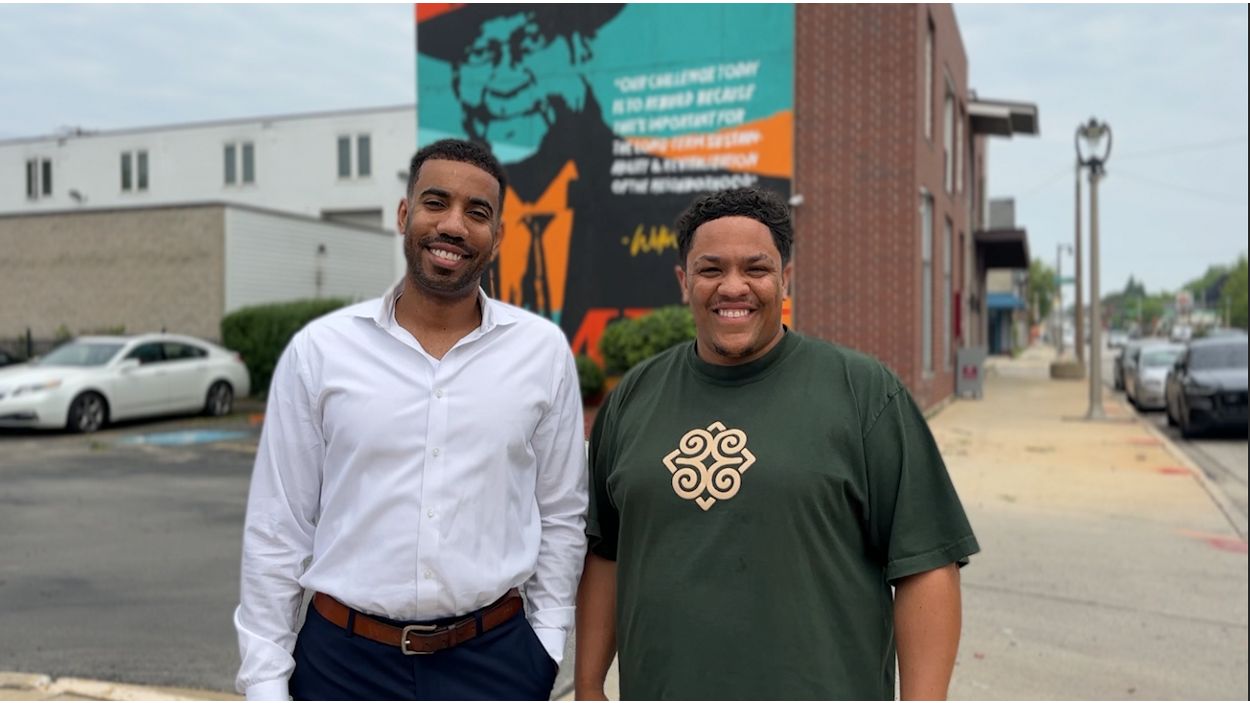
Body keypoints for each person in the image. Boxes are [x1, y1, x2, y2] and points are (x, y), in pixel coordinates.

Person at [574, 187, 979, 700]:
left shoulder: (863, 393)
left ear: (785, 278)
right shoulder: (634, 398)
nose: (733, 287)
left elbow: (926, 563)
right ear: (684, 282)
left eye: (756, 269)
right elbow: (606, 553)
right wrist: (587, 685)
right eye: (711, 269)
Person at [233, 139, 588, 700]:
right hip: (342, 666)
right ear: (404, 215)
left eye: (477, 213)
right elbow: (279, 527)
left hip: (495, 664)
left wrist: (545, 645)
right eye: (435, 203)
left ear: (497, 236)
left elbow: (562, 513)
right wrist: (265, 682)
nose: (453, 225)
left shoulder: (542, 353)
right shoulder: (320, 351)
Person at [418, 5, 778, 355]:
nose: (506, 79)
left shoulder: (687, 213)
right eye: (482, 53)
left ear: (580, 51)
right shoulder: (456, 235)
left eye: (530, 43)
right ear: (458, 79)